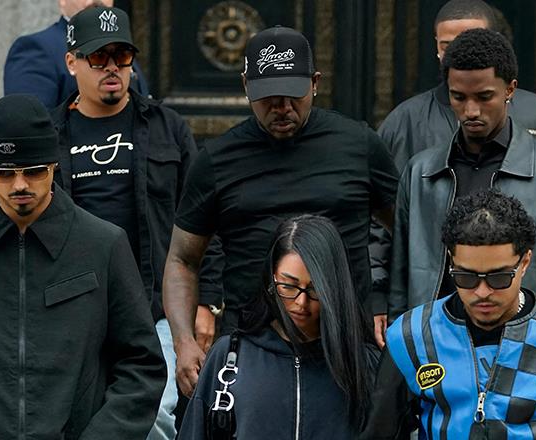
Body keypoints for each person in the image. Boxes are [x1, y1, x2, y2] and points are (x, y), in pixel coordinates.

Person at [0, 94, 166, 439]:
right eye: (4, 173)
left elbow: (141, 364)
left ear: (54, 165)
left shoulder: (104, 244)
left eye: (34, 171)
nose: (20, 185)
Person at [163, 25, 398, 398]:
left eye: (293, 95)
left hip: (343, 344)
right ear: (246, 86)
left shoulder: (359, 145)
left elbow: (407, 233)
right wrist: (184, 343)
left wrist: (390, 302)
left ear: (315, 83)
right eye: (268, 98)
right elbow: (182, 260)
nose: (282, 108)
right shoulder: (216, 160)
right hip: (251, 345)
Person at [49, 6, 222, 439]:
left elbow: (205, 218)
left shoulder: (168, 127)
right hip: (74, 308)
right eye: (98, 56)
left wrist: (208, 302)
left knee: (153, 415)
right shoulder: (49, 135)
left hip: (155, 308)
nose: (112, 67)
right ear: (71, 62)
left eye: (121, 56)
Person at [369, 0, 536, 345]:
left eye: (484, 96)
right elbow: (386, 224)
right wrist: (380, 297)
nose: (471, 110)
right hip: (438, 321)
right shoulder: (406, 126)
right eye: (448, 44)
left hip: (525, 322)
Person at [363, 190, 536, 439]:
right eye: (466, 277)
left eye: (499, 277)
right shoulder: (411, 337)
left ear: (525, 263)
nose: (482, 292)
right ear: (451, 261)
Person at [389, 28, 536, 323]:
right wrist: (403, 340)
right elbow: (401, 282)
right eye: (458, 97)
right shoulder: (420, 172)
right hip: (438, 338)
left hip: (529, 339)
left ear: (510, 90)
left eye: (484, 97)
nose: (471, 111)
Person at [179, 215, 378, 439]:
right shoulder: (230, 358)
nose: (301, 302)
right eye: (288, 286)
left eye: (315, 290)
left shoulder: (365, 365)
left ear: (334, 288)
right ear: (271, 280)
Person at [378, 0, 536, 172]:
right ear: (436, 45)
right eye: (447, 46)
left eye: (474, 42)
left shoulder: (535, 112)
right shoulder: (404, 121)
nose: (461, 52)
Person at [3, 0, 149, 110]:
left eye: (121, 56)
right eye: (98, 56)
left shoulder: (122, 46)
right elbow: (30, 127)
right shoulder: (37, 48)